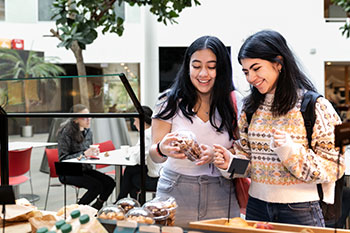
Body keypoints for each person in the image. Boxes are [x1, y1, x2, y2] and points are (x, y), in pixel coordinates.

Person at [213, 30, 344, 227]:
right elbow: (251, 165)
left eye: (256, 68)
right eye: (246, 71)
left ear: (278, 63)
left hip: (301, 209)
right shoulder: (250, 108)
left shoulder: (316, 106)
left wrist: (291, 152)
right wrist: (229, 163)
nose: (250, 78)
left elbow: (336, 166)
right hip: (257, 206)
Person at [149, 35, 243, 227]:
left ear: (222, 68)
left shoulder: (235, 102)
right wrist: (162, 149)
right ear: (187, 67)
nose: (203, 73)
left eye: (211, 66)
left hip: (222, 193)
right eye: (196, 65)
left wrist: (218, 156)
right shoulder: (168, 101)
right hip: (174, 191)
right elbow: (154, 157)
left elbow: (244, 159)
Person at [57, 104, 116, 211]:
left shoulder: (88, 131)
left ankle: (97, 207)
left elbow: (87, 154)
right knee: (97, 186)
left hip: (84, 168)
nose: (89, 119)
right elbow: (63, 159)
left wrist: (93, 153)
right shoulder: (65, 132)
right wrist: (84, 154)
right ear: (75, 120)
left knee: (110, 183)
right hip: (67, 170)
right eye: (84, 117)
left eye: (89, 116)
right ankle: (76, 211)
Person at [116, 106, 163, 201]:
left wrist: (131, 152)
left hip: (156, 179)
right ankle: (129, 202)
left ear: (142, 121)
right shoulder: (155, 131)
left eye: (135, 120)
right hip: (163, 174)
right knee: (131, 172)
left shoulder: (147, 134)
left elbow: (139, 158)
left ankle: (122, 200)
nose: (134, 123)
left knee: (131, 176)